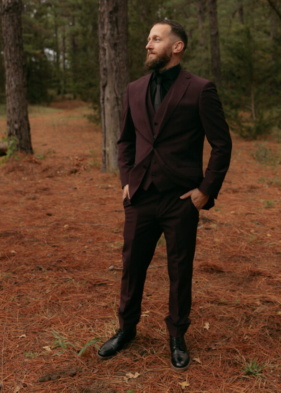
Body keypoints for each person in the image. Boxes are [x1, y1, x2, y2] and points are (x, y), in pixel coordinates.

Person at [97, 19, 232, 371]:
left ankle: (177, 336)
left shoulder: (200, 89)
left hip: (181, 199)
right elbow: (125, 140)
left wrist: (206, 190)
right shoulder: (134, 89)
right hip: (140, 195)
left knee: (179, 268)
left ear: (177, 46)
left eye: (156, 39)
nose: (148, 44)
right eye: (147, 38)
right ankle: (126, 330)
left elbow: (222, 144)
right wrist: (126, 180)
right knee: (132, 266)